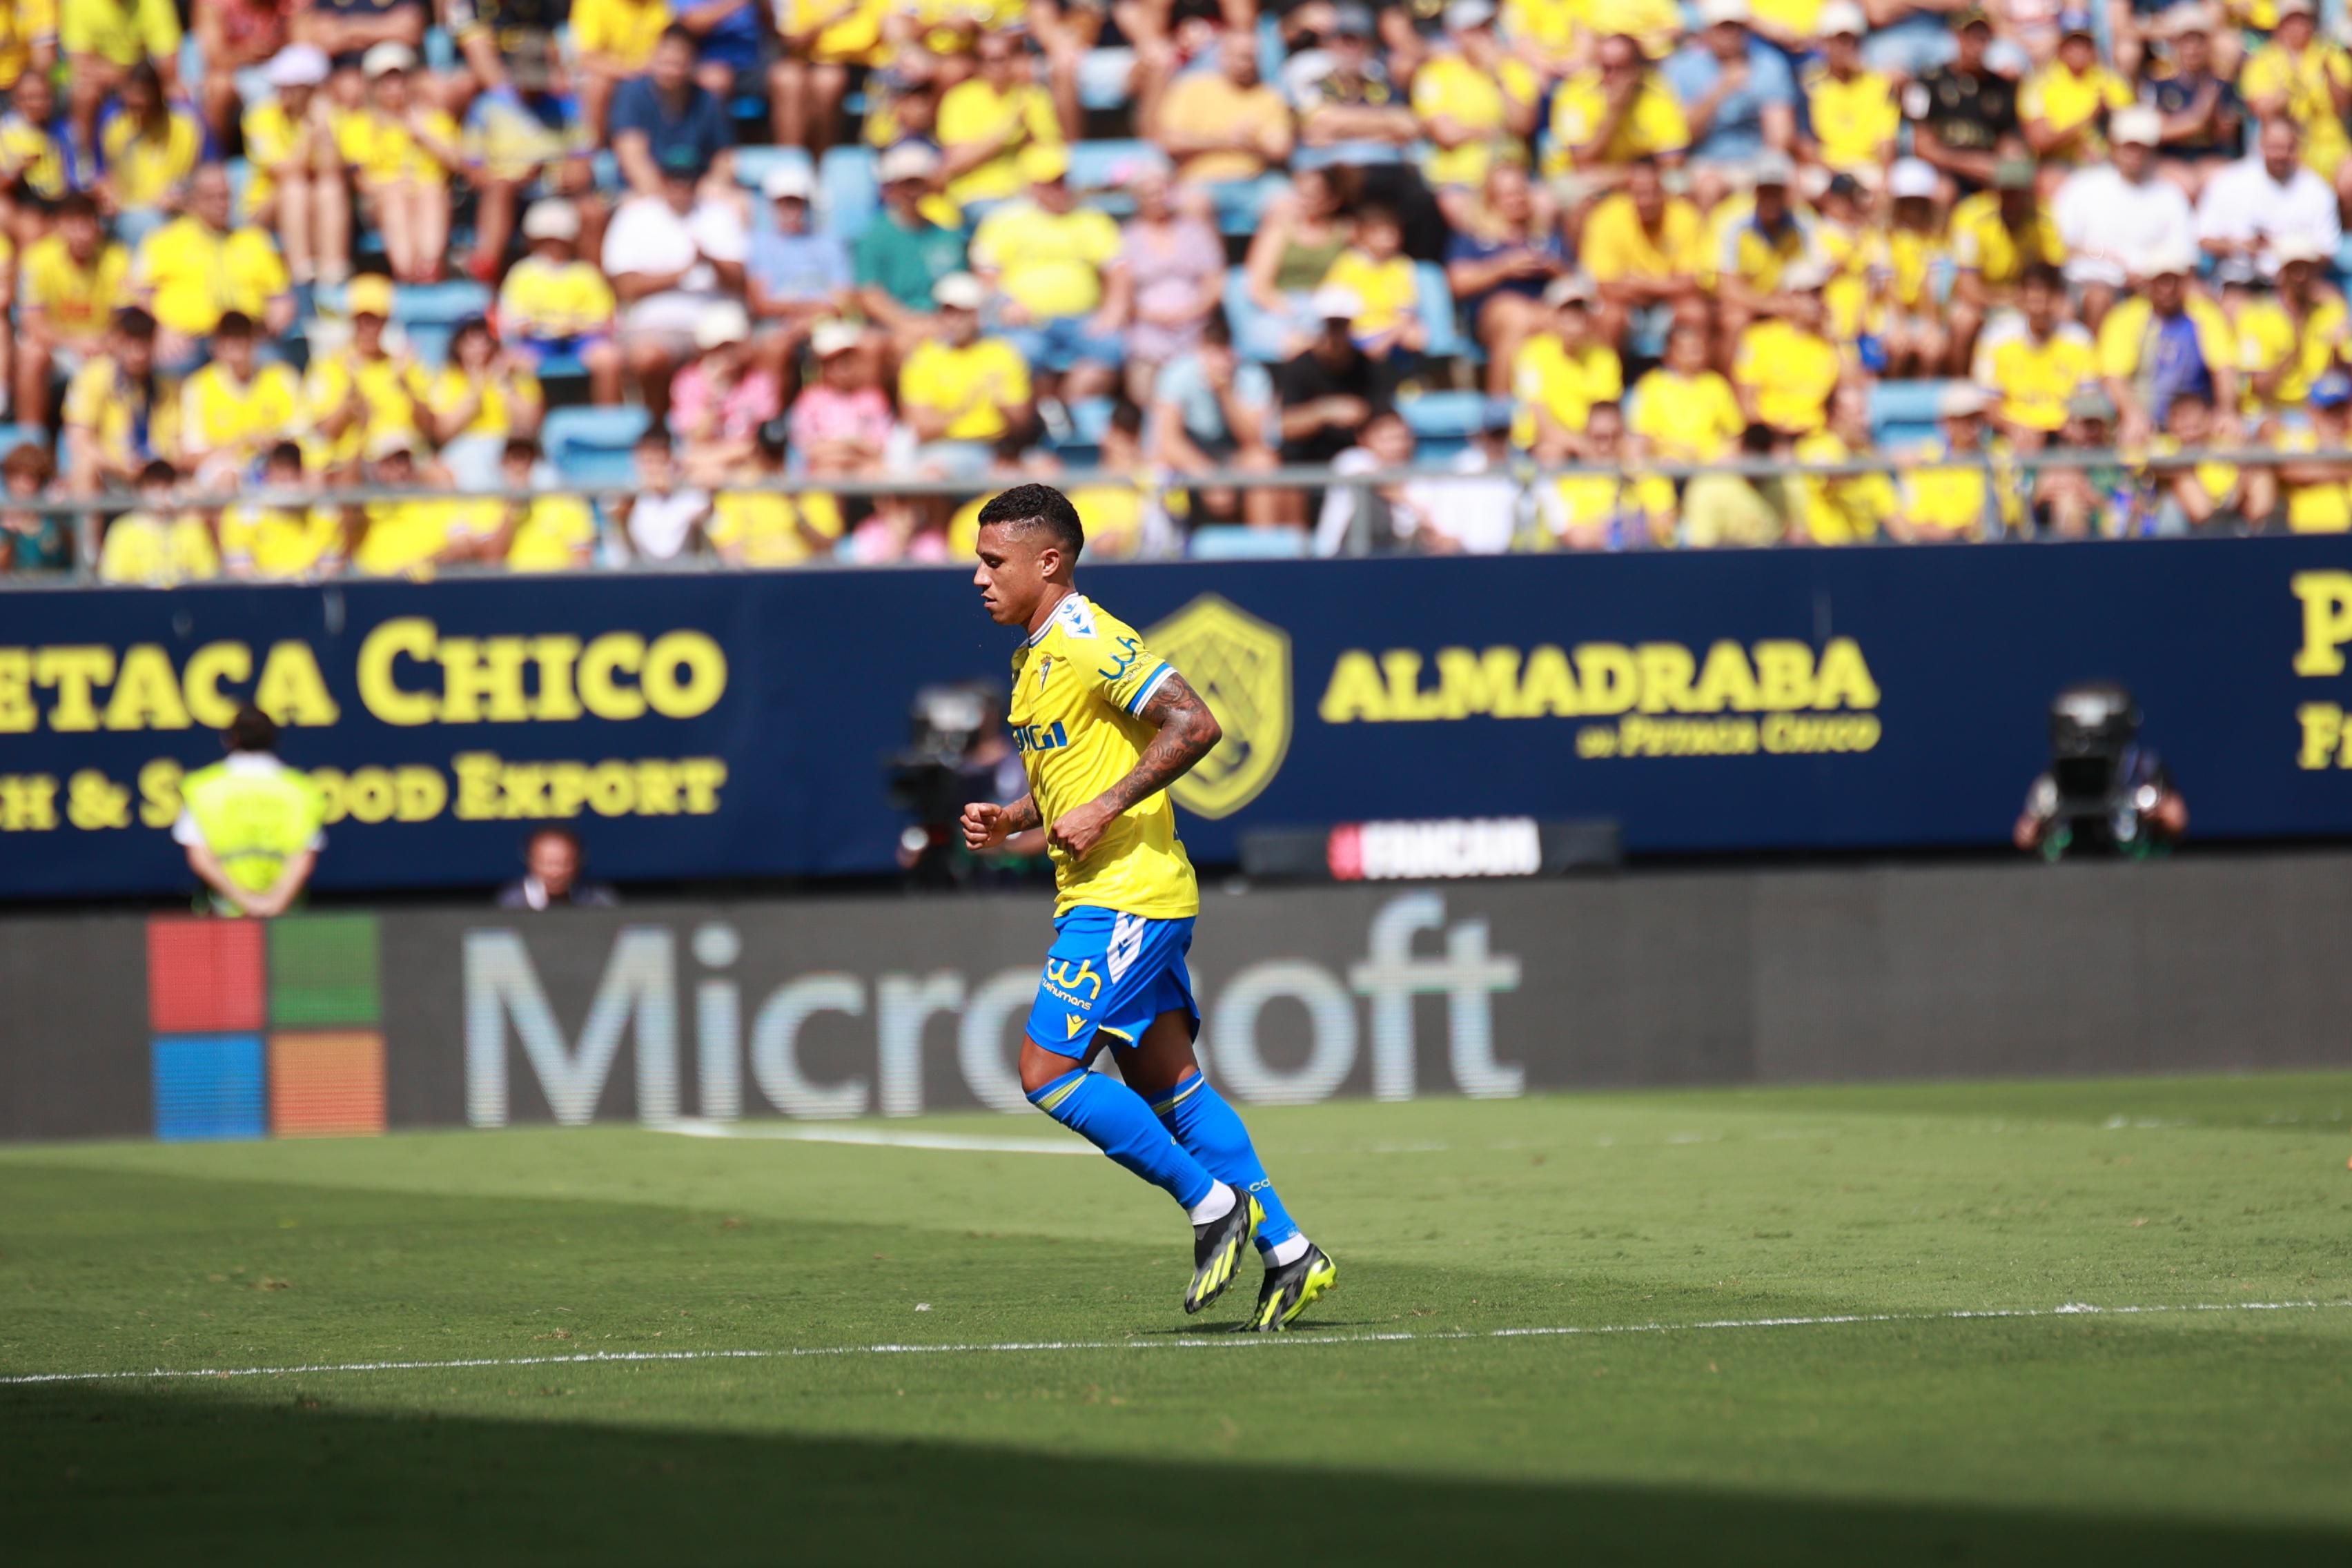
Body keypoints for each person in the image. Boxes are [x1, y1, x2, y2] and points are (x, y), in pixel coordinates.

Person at [960, 482, 1335, 1331]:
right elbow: (1077, 777)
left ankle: (1210, 1205)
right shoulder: (1035, 655)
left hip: (1128, 896)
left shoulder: (1091, 639)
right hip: (1113, 893)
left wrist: (1107, 806)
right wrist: (1017, 815)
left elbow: (1196, 724)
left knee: (1046, 1074)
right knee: (1172, 1087)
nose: (978, 578)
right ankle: (1290, 1252)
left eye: (993, 562)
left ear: (1048, 561)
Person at [968, 144, 1124, 404]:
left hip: (1080, 320)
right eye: (1051, 182)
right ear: (1033, 186)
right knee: (1022, 353)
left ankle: (1072, 407)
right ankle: (1046, 414)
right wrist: (1006, 305)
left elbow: (1118, 271)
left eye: (1062, 180)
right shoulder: (1005, 221)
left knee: (1111, 348)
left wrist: (1112, 313)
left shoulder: (1091, 219)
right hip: (1025, 322)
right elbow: (986, 273)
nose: (1059, 188)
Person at [174, 704, 326, 919]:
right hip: (285, 916)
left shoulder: (203, 789)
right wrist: (274, 903)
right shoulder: (301, 790)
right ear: (274, 740)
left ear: (229, 739)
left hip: (224, 912)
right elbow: (303, 858)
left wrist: (246, 901)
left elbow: (200, 857)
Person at [2053, 106, 2194, 329]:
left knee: (2197, 298)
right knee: (2098, 298)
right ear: (2113, 146)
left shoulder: (2170, 195)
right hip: (2094, 283)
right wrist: (2105, 259)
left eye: (2141, 147)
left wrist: (2150, 276)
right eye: (2128, 146)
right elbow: (2062, 246)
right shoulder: (2082, 187)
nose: (2134, 153)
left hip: (2155, 285)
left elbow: (2183, 256)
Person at [339, 40, 462, 283]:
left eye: (400, 78)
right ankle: (406, 269)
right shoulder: (358, 125)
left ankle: (428, 266)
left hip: (428, 193)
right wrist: (396, 184)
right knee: (397, 197)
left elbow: (459, 163)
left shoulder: (433, 118)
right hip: (382, 199)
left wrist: (424, 135)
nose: (394, 87)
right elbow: (361, 180)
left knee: (431, 192)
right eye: (386, 80)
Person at [901, 270, 1034, 476]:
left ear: (978, 315)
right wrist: (967, 405)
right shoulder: (923, 359)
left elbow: (1021, 425)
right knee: (931, 473)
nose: (955, 319)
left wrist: (1002, 405)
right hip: (946, 449)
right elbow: (922, 428)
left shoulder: (1003, 354)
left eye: (963, 312)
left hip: (999, 448)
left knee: (1043, 473)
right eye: (948, 311)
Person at [15, 190, 128, 425]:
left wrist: (103, 342)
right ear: (58, 226)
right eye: (73, 223)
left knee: (131, 353)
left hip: (102, 346)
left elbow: (125, 321)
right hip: (59, 347)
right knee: (31, 354)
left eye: (87, 222)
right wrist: (74, 342)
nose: (82, 233)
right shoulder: (38, 259)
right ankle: (30, 436)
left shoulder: (116, 259)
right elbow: (32, 322)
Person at [245, 43, 351, 294]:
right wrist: (310, 133)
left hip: (314, 201)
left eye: (290, 86)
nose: (281, 92)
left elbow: (334, 170)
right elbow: (282, 172)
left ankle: (332, 274)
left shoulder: (334, 116)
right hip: (267, 205)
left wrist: (324, 129)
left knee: (330, 188)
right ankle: (301, 276)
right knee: (295, 188)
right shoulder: (259, 116)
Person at [500, 198, 623, 403]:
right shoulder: (522, 274)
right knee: (514, 364)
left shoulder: (586, 273)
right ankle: (528, 426)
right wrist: (533, 327)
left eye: (559, 240)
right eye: (546, 240)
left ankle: (608, 420)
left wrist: (576, 327)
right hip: (537, 343)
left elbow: (605, 320)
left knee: (608, 359)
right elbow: (512, 320)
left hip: (580, 343)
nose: (553, 247)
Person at [177, 310, 302, 487]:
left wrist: (273, 442)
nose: (237, 345)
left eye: (243, 337)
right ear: (216, 346)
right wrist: (241, 444)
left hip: (273, 469)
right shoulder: (198, 387)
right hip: (224, 473)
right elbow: (191, 457)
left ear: (254, 341)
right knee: (226, 475)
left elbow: (301, 435)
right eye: (229, 338)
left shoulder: (282, 378)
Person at [2195, 117, 2341, 266]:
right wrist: (2239, 247)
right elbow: (2204, 238)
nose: (2281, 155)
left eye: (2288, 148)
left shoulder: (2319, 191)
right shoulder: (2227, 182)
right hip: (2239, 278)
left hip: (2298, 280)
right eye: (2275, 147)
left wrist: (2291, 250)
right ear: (2261, 145)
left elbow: (2328, 250)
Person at [1903, 8, 2019, 192]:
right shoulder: (1928, 82)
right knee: (1942, 189)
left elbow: (2008, 141)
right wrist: (1969, 164)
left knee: (2016, 182)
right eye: (1971, 36)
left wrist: (2010, 168)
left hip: (1987, 173)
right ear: (1957, 37)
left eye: (1983, 37)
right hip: (1941, 170)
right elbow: (1922, 147)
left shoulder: (2001, 87)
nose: (1977, 44)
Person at [97, 457, 217, 582]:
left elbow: (207, 580)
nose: (161, 492)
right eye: (153, 485)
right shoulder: (122, 531)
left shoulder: (193, 530)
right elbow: (114, 584)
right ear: (141, 489)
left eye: (167, 484)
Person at [620, 427, 710, 560]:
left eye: (660, 461)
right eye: (648, 461)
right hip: (640, 573)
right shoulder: (628, 489)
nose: (654, 469)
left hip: (683, 573)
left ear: (671, 459)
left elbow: (706, 513)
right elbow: (615, 508)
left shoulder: (687, 491)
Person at [496, 825, 620, 908]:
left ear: (578, 862)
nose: (555, 873)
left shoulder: (597, 901)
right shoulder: (511, 903)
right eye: (547, 863)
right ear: (530, 861)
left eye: (563, 864)